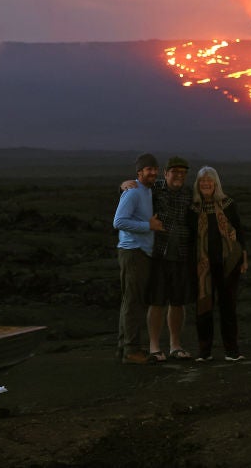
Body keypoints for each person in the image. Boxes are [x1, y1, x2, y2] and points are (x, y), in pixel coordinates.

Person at [123, 155, 197, 362]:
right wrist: (122, 186)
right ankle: (154, 346)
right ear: (166, 174)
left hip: (182, 254)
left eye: (183, 173)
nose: (179, 176)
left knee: (178, 302)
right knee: (157, 302)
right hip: (159, 254)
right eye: (175, 172)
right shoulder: (153, 190)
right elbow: (133, 194)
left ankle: (175, 345)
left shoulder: (190, 194)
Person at [188, 165, 247, 362]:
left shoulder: (228, 204)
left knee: (228, 307)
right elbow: (189, 237)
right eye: (202, 181)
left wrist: (243, 257)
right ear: (198, 184)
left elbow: (238, 231)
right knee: (204, 308)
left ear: (216, 183)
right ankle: (204, 352)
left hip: (228, 264)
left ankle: (232, 350)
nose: (206, 184)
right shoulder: (193, 208)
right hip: (202, 266)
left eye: (209, 181)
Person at [113, 152, 164, 364]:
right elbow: (119, 221)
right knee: (133, 302)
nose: (152, 172)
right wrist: (147, 226)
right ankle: (131, 351)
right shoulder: (134, 193)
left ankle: (125, 348)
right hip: (133, 252)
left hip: (141, 252)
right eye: (148, 169)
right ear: (139, 172)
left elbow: (170, 183)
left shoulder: (148, 190)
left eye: (154, 169)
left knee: (132, 301)